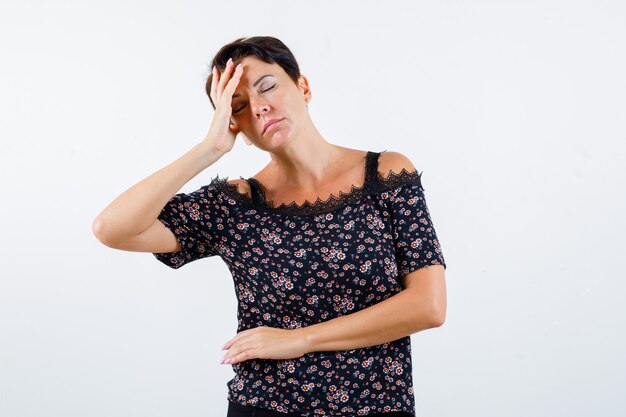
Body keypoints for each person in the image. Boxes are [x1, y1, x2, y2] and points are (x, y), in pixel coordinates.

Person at [92, 36, 447, 417]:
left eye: (267, 86)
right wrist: (208, 150)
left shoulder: (386, 173)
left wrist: (299, 340)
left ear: (303, 86)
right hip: (266, 406)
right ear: (234, 125)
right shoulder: (235, 204)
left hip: (378, 406)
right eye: (239, 106)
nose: (260, 107)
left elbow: (428, 306)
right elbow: (112, 228)